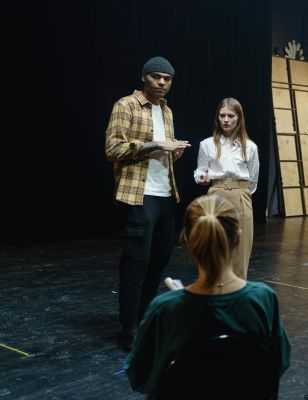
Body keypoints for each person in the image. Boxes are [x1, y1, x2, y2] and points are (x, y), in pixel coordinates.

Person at [124, 195, 291, 393]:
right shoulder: (264, 300)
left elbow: (139, 377)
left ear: (187, 241)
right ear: (238, 237)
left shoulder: (164, 309)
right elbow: (278, 363)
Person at [104, 56, 191, 351]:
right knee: (135, 263)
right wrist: (156, 144)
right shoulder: (126, 105)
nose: (162, 83)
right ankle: (127, 328)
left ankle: (143, 317)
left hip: (166, 194)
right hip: (139, 195)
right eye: (156, 77)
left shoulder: (167, 111)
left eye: (167, 79)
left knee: (160, 259)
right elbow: (112, 148)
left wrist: (173, 151)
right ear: (144, 77)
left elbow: (163, 152)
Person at [193, 98, 259, 279]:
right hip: (216, 192)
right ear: (217, 118)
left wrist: (241, 193)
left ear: (239, 118)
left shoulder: (250, 147)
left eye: (231, 116)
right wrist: (201, 177)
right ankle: (213, 287)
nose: (226, 120)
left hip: (241, 194)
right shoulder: (207, 144)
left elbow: (253, 179)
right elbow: (200, 170)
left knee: (241, 246)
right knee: (214, 244)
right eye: (222, 116)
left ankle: (237, 288)